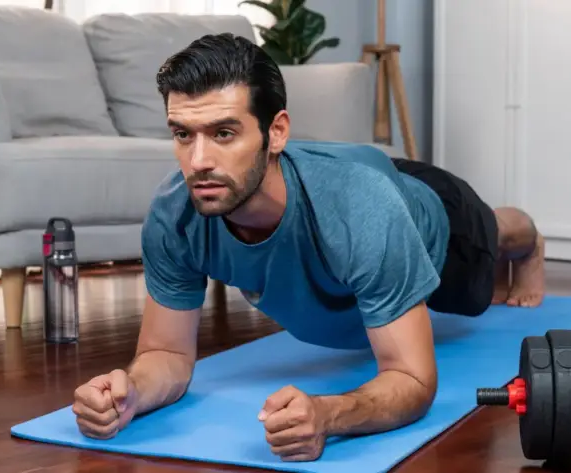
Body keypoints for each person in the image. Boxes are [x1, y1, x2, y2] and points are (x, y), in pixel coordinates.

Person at [71, 33, 546, 462]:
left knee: (496, 237)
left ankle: (531, 243)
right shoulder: (174, 212)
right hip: (354, 185)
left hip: (430, 213)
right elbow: (167, 356)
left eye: (223, 134)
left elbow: (414, 379)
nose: (197, 162)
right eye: (182, 135)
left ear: (276, 132)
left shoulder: (360, 208)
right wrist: (130, 391)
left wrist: (328, 415)